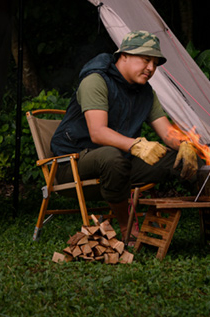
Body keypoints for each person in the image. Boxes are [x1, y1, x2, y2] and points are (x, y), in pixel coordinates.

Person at [50, 30, 200, 239]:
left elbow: (166, 132)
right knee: (111, 156)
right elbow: (98, 133)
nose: (151, 68)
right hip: (72, 164)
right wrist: (137, 145)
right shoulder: (96, 81)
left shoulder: (146, 92)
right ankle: (126, 228)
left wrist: (185, 144)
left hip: (119, 165)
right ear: (124, 55)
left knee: (178, 159)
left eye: (155, 63)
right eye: (146, 60)